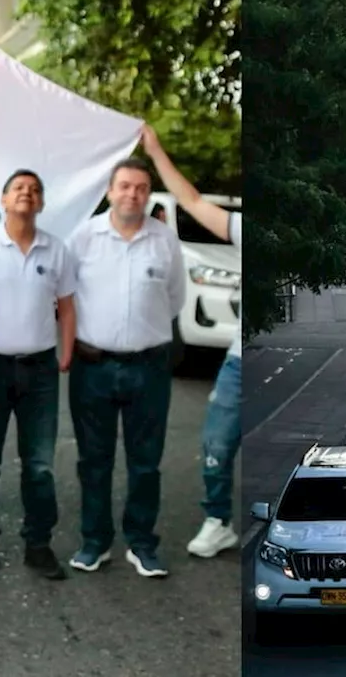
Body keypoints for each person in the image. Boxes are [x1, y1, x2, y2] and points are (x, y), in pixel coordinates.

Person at [66, 157, 185, 578]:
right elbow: (66, 296)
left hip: (148, 367)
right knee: (93, 460)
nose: (132, 194)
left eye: (140, 187)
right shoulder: (84, 236)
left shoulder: (164, 240)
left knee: (145, 462)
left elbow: (174, 299)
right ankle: (94, 543)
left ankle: (141, 543)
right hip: (92, 366)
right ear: (109, 191)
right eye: (124, 186)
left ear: (148, 193)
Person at [0, 169, 76, 580]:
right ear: (3, 199)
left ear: (42, 203)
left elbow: (66, 305)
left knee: (40, 464)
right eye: (18, 189)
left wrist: (67, 351)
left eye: (34, 190)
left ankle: (38, 543)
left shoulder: (56, 250)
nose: (26, 194)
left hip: (40, 369)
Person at [141, 125, 243, 559]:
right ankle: (218, 520)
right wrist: (156, 152)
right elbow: (193, 201)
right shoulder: (242, 228)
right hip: (241, 362)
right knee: (216, 443)